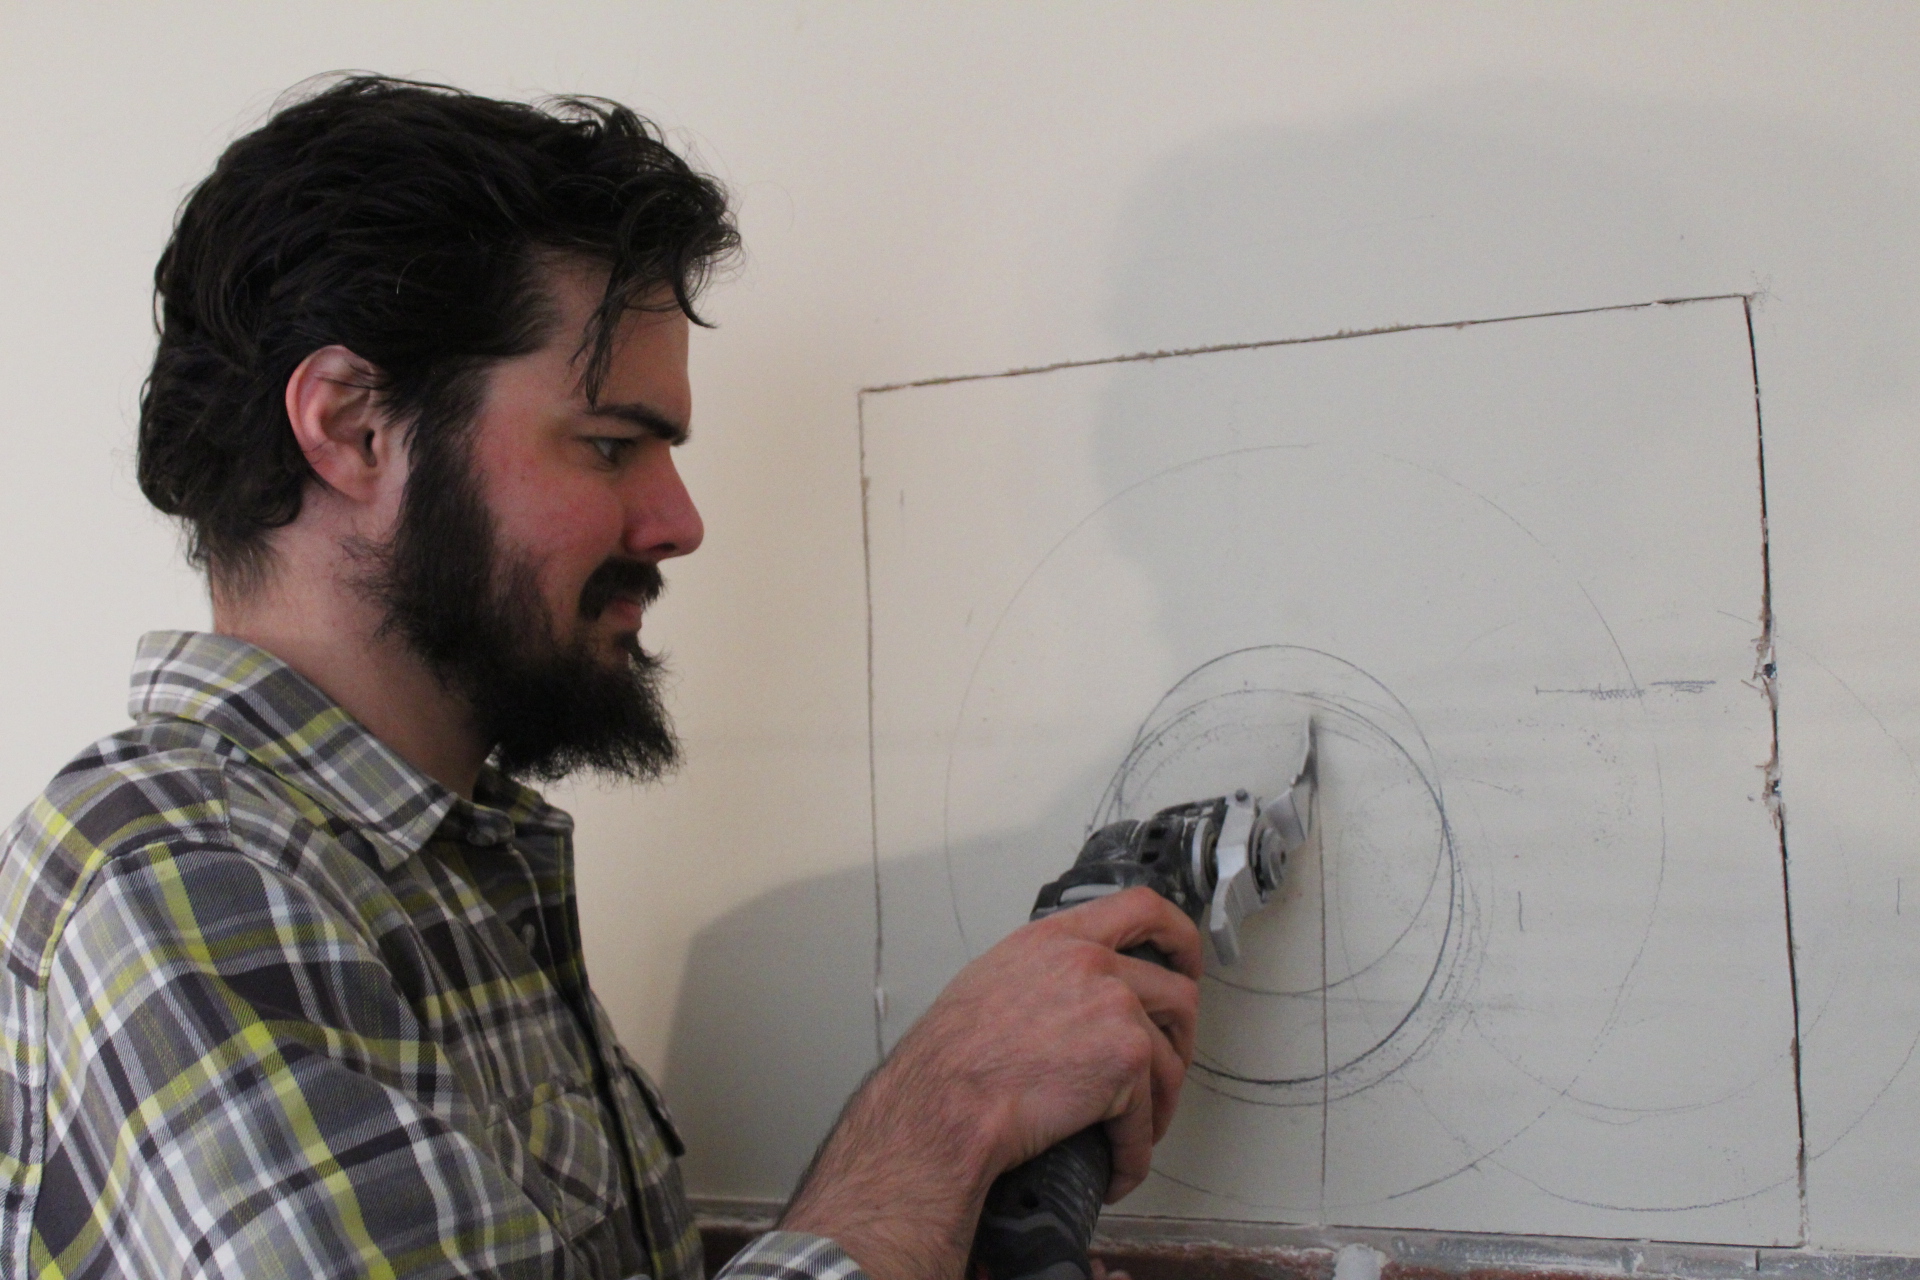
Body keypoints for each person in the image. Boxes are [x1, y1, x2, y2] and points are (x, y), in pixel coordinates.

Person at [0, 76, 1200, 1280]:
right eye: (612, 445)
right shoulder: (182, 878)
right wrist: (948, 1111)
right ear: (356, 426)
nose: (679, 522)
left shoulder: (450, 871)